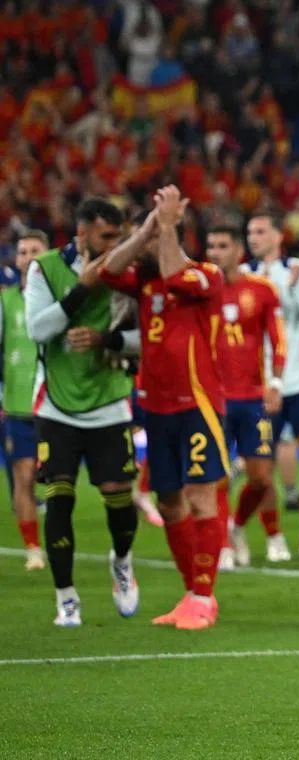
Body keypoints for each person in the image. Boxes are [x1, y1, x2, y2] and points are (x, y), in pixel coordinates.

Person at [102, 185, 228, 631]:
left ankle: (203, 595)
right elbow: (105, 270)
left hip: (198, 404)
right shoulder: (143, 280)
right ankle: (191, 592)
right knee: (169, 502)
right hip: (156, 408)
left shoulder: (207, 275)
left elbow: (177, 275)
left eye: (154, 237)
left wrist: (168, 226)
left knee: (200, 495)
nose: (145, 248)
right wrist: (148, 229)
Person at [25, 199, 140, 627]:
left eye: (119, 236)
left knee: (119, 498)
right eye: (107, 237)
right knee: (59, 497)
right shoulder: (46, 268)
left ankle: (122, 561)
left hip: (109, 400)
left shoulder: (130, 273)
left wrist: (107, 341)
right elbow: (36, 329)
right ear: (82, 235)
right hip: (56, 404)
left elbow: (147, 338)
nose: (116, 245)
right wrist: (83, 288)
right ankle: (66, 596)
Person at [245, 212, 299, 561]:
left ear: (278, 236)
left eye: (261, 231)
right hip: (260, 384)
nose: (254, 237)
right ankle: (273, 537)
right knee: (262, 465)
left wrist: (294, 290)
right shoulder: (245, 276)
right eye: (250, 232)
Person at [204, 225, 286, 572]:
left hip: (253, 398)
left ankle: (237, 526)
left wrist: (277, 381)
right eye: (211, 246)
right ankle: (221, 543)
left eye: (222, 245)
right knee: (218, 476)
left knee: (262, 478)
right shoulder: (201, 290)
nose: (215, 253)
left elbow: (278, 340)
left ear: (238, 249)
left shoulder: (262, 290)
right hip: (215, 399)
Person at [2, 231, 48, 571]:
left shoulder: (59, 297)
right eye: (23, 252)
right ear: (15, 259)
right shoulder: (5, 303)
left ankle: (58, 539)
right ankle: (33, 548)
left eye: (35, 251)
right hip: (18, 405)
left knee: (59, 482)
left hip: (56, 404)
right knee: (24, 476)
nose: (29, 256)